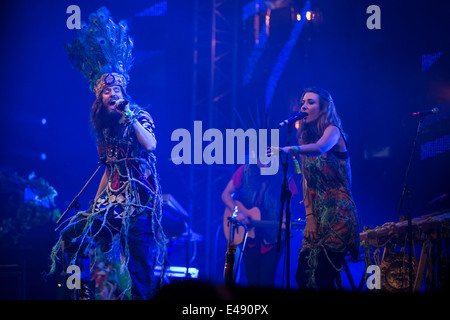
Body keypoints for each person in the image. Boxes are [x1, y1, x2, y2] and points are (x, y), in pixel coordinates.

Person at [50, 7, 166, 300]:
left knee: (140, 271)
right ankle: (85, 294)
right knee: (73, 239)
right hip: (111, 202)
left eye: (116, 90)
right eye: (106, 92)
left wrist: (128, 114)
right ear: (98, 98)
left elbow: (151, 145)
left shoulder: (137, 114)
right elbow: (108, 169)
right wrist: (95, 203)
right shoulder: (103, 128)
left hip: (138, 205)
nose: (112, 94)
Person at [269, 87, 359, 290]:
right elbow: (306, 181)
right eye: (303, 102)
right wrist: (310, 218)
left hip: (339, 213)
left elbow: (320, 148)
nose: (304, 106)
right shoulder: (304, 139)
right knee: (302, 276)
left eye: (310, 102)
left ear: (324, 108)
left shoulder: (333, 132)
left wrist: (288, 149)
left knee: (322, 278)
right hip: (317, 214)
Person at [221, 160, 298, 287]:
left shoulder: (285, 176)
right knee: (252, 278)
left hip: (273, 238)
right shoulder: (245, 171)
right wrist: (238, 212)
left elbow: (293, 203)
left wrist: (285, 218)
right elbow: (225, 195)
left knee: (266, 278)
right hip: (249, 236)